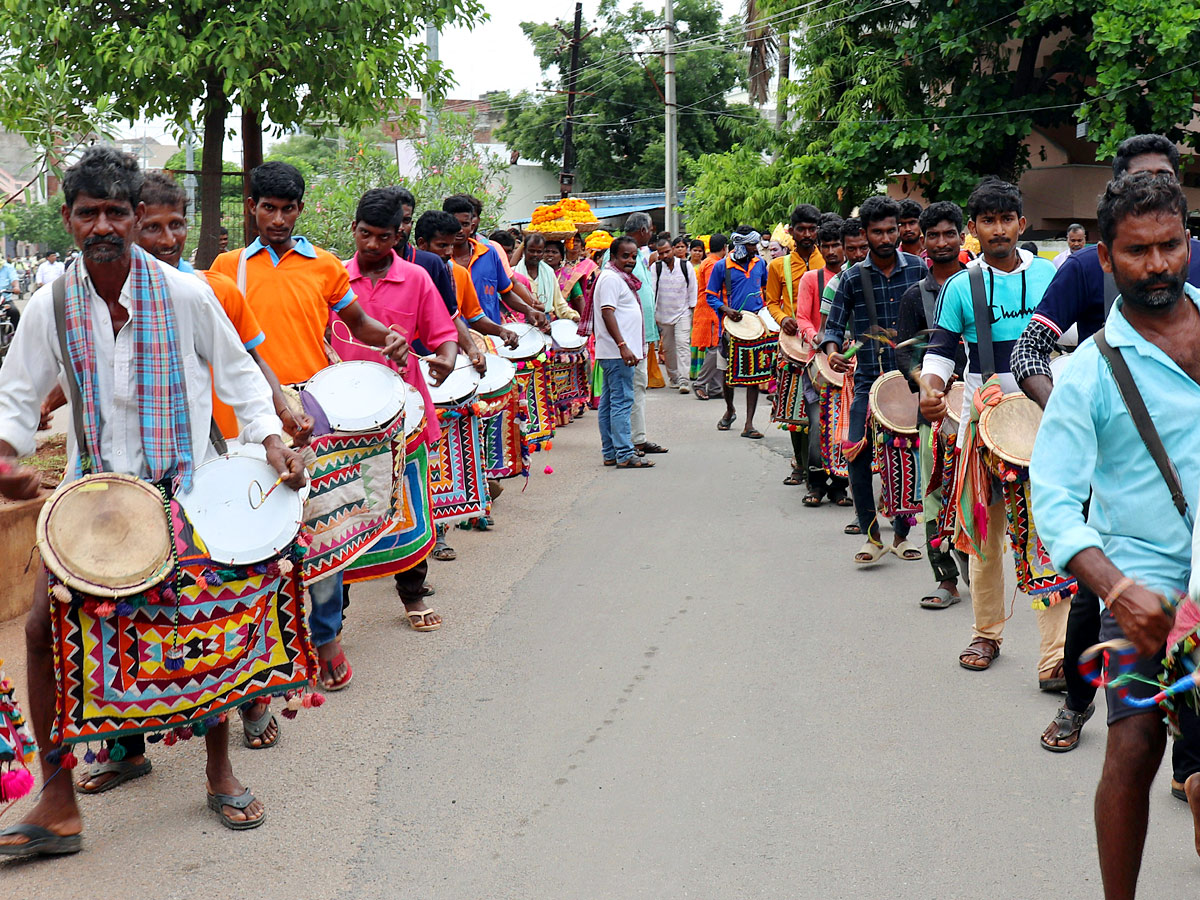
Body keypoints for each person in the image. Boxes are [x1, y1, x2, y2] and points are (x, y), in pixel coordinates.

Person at [0, 147, 308, 851]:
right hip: (94, 498)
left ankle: (221, 770)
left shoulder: (185, 294)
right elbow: (17, 398)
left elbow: (241, 382)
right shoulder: (50, 303)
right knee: (44, 632)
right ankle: (57, 800)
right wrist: (5, 457)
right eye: (88, 213)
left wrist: (272, 443)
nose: (103, 224)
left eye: (116, 211)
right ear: (69, 219)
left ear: (136, 219)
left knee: (208, 628)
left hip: (186, 492)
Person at [1030, 172, 1200, 899]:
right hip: (1145, 587)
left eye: (1171, 246)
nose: (1158, 264)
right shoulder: (1090, 374)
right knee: (1132, 747)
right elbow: (1055, 501)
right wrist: (1118, 590)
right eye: (1138, 251)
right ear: (1105, 258)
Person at [1011, 132, 1200, 753]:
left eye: (1167, 182)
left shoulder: (1193, 267)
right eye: (1143, 180)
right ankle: (1076, 703)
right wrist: (1071, 415)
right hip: (1117, 470)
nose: (1157, 261)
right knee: (1098, 611)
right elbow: (1030, 349)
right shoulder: (1078, 271)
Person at [211, 161, 408, 698]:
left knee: (322, 529)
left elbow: (355, 322)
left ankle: (326, 639)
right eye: (268, 208)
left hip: (311, 413)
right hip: (245, 418)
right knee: (250, 535)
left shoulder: (323, 265)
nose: (277, 218)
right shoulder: (227, 268)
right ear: (252, 207)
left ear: (300, 209)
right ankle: (257, 657)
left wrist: (386, 337)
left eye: (288, 208)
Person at [918, 177, 1067, 684]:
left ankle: (1055, 658)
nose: (998, 229)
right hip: (984, 426)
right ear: (974, 229)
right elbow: (940, 349)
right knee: (983, 536)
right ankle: (987, 633)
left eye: (1007, 219)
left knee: (1046, 539)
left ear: (1021, 224)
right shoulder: (963, 285)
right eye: (988, 221)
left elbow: (1078, 340)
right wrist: (931, 387)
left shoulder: (1050, 276)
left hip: (1045, 422)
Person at [332, 188, 457, 631]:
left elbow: (443, 333)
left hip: (402, 412)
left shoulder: (418, 279)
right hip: (341, 417)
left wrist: (447, 355)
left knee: (409, 505)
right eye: (365, 234)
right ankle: (334, 614)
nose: (371, 246)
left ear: (398, 236)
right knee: (339, 514)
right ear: (353, 229)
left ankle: (413, 595)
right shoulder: (331, 279)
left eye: (383, 238)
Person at [821, 197, 926, 563]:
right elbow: (831, 327)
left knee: (909, 455)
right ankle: (870, 534)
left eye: (891, 230)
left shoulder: (918, 269)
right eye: (877, 231)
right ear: (865, 234)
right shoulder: (851, 277)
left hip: (909, 379)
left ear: (900, 230)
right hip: (866, 378)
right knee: (857, 450)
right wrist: (833, 349)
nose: (886, 237)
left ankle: (902, 534)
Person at [894, 201, 967, 610]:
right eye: (933, 235)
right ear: (923, 241)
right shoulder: (913, 296)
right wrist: (928, 383)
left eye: (949, 234)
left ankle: (975, 565)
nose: (942, 242)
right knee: (935, 495)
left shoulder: (981, 286)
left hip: (978, 409)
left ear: (961, 236)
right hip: (933, 413)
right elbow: (903, 355)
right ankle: (946, 580)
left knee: (979, 495)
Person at [764, 209, 834, 494]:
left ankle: (826, 466)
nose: (807, 234)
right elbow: (771, 302)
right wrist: (783, 319)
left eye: (811, 229)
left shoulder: (828, 260)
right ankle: (800, 464)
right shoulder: (778, 266)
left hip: (825, 345)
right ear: (791, 231)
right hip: (794, 346)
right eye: (801, 229)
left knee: (826, 410)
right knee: (796, 411)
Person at [707, 225, 770, 439]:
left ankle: (749, 423)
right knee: (727, 375)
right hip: (730, 329)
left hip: (755, 328)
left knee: (753, 375)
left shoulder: (760, 263)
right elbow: (710, 295)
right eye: (752, 244)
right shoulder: (722, 266)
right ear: (742, 244)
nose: (756, 248)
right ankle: (730, 408)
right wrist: (725, 309)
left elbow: (766, 289)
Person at [594, 235, 651, 469]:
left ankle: (611, 452)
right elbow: (608, 313)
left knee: (610, 402)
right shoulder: (611, 279)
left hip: (616, 352)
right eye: (625, 256)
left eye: (633, 256)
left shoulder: (617, 278)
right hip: (617, 353)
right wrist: (622, 345)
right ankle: (624, 453)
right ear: (613, 256)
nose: (630, 260)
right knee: (621, 402)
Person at [619, 212, 668, 454]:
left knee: (639, 386)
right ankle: (629, 442)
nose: (651, 233)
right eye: (650, 229)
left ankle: (638, 437)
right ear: (642, 230)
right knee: (631, 388)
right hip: (629, 336)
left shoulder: (639, 254)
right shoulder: (622, 254)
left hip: (643, 333)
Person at [652, 234, 694, 394]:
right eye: (661, 253)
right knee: (668, 349)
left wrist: (692, 310)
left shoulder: (685, 266)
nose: (664, 256)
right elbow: (652, 291)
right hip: (663, 315)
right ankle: (674, 377)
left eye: (667, 252)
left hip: (683, 313)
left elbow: (692, 289)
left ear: (672, 250)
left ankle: (684, 380)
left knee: (683, 345)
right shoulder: (655, 268)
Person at [691, 234, 727, 400]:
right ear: (724, 248)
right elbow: (715, 291)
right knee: (715, 349)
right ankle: (700, 383)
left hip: (711, 310)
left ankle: (715, 387)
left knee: (718, 349)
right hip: (711, 311)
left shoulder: (709, 262)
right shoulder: (713, 264)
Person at [516, 232, 578, 323]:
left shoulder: (549, 273)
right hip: (521, 320)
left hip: (545, 321)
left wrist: (573, 316)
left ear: (543, 252)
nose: (535, 255)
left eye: (539, 251)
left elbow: (559, 304)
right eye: (531, 251)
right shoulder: (515, 273)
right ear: (524, 250)